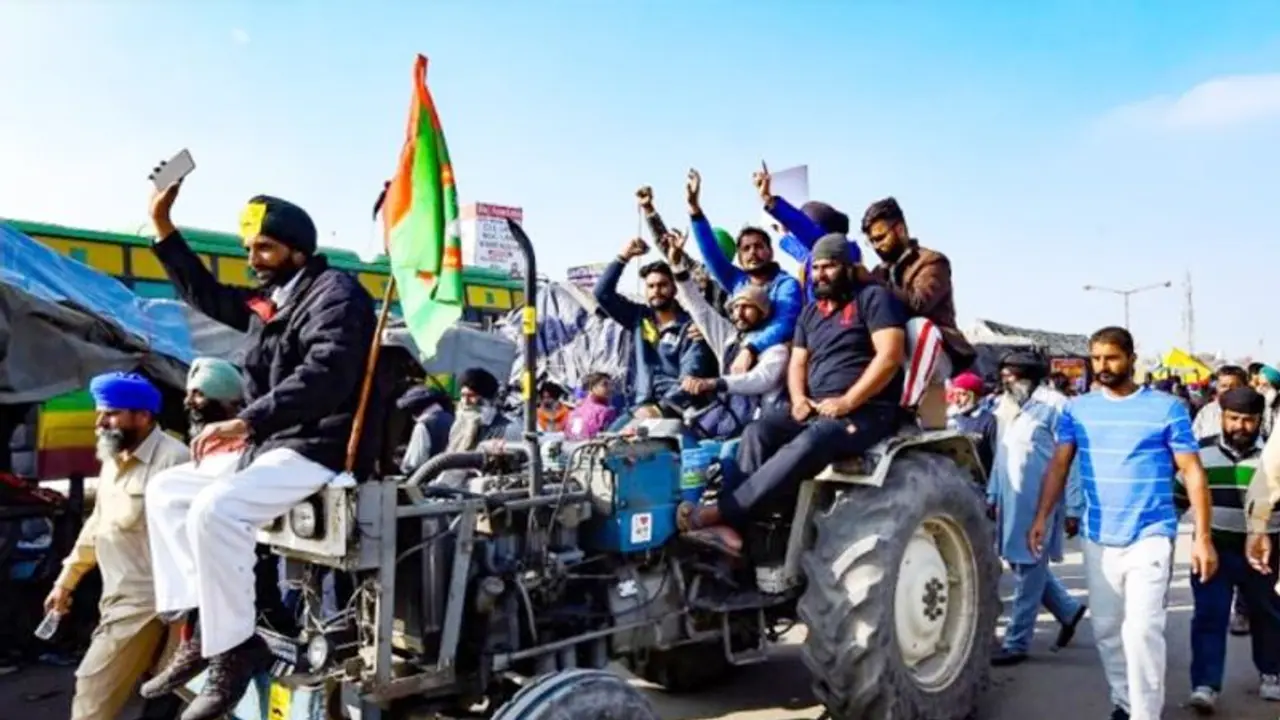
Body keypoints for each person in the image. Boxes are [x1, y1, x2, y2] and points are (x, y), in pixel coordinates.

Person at [139, 185, 375, 720]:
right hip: (273, 443)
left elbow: (328, 373)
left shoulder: (333, 294)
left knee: (216, 509)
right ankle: (204, 628)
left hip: (316, 446)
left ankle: (232, 653)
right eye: (249, 248)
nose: (253, 260)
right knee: (168, 491)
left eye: (264, 248)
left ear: (296, 250)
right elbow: (205, 293)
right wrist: (162, 225)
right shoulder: (275, 301)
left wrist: (247, 421)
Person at [1028, 326, 1217, 720]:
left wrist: (1202, 538)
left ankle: (1144, 714)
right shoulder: (1078, 409)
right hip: (1099, 537)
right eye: (1096, 358)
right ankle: (1125, 701)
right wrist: (1042, 516)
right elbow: (1059, 465)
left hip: (1150, 535)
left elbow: (1193, 473)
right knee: (1108, 631)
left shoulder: (1167, 408)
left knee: (1142, 631)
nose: (1103, 366)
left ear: (1131, 357)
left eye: (1111, 357)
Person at [677, 234, 908, 555]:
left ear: (849, 268)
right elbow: (798, 363)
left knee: (813, 440)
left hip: (867, 409)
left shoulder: (873, 299)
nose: (821, 275)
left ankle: (722, 514)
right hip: (815, 406)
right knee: (759, 431)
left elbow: (890, 356)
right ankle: (750, 542)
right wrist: (799, 399)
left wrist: (848, 401)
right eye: (817, 268)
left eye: (830, 267)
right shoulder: (811, 313)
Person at [44, 372, 190, 720]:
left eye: (110, 413)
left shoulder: (175, 462)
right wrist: (66, 580)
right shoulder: (115, 456)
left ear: (143, 416)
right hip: (118, 597)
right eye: (100, 413)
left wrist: (182, 617)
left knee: (93, 692)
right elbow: (99, 524)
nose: (100, 422)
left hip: (153, 604)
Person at [1173, 387, 1280, 712]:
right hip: (1213, 549)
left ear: (1260, 420)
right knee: (1209, 615)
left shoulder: (1273, 457)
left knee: (1269, 614)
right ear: (1221, 417)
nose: (1240, 426)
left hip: (1266, 552)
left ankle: (1272, 672)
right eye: (1233, 418)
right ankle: (1205, 684)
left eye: (1249, 420)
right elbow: (1177, 499)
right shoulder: (1199, 455)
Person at [986, 353, 1087, 666]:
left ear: (1028, 377)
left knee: (1029, 569)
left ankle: (1017, 642)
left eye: (1011, 376)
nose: (1006, 381)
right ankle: (1067, 610)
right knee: (1021, 564)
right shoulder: (1004, 406)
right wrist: (992, 492)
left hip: (1040, 502)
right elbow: (1000, 455)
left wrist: (1073, 507)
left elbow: (1072, 462)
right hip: (1008, 499)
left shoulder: (1057, 406)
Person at [664, 229, 787, 439]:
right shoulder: (730, 337)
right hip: (722, 417)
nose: (739, 313)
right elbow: (698, 308)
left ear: (763, 312)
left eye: (747, 307)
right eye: (735, 307)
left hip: (757, 426)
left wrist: (714, 383)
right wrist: (676, 266)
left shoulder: (775, 349)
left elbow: (758, 380)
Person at [685, 169, 802, 373]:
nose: (753, 253)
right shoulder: (736, 281)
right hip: (736, 361)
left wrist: (751, 348)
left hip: (772, 365)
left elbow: (784, 323)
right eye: (746, 249)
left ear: (770, 251)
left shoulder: (786, 285)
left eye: (759, 247)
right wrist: (695, 209)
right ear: (739, 257)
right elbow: (710, 253)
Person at [593, 237, 716, 417]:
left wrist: (661, 408)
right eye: (650, 286)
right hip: (639, 407)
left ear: (675, 288)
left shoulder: (690, 328)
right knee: (606, 440)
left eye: (662, 285)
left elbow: (690, 377)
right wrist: (624, 256)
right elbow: (601, 293)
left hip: (677, 411)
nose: (656, 291)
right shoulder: (639, 318)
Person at [444, 368, 521, 453]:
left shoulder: (508, 430)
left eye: (471, 395)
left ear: (487, 399)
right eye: (463, 395)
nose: (465, 401)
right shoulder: (458, 426)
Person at [946, 370, 998, 475]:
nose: (957, 400)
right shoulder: (954, 419)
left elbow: (996, 457)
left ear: (976, 396)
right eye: (955, 394)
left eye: (962, 394)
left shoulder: (988, 421)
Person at [397, 385, 455, 474]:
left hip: (429, 481)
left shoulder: (423, 426)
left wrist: (399, 463)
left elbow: (413, 464)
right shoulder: (451, 419)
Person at [1193, 366, 1249, 441]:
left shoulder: (1252, 413)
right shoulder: (1206, 411)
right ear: (1217, 387)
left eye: (1233, 386)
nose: (1228, 389)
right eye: (1224, 386)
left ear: (1244, 387)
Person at [564, 373, 617, 441]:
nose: (609, 388)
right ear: (592, 387)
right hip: (593, 446)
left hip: (574, 446)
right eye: (605, 385)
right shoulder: (606, 412)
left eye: (611, 385)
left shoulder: (578, 408)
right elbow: (612, 435)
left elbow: (574, 434)